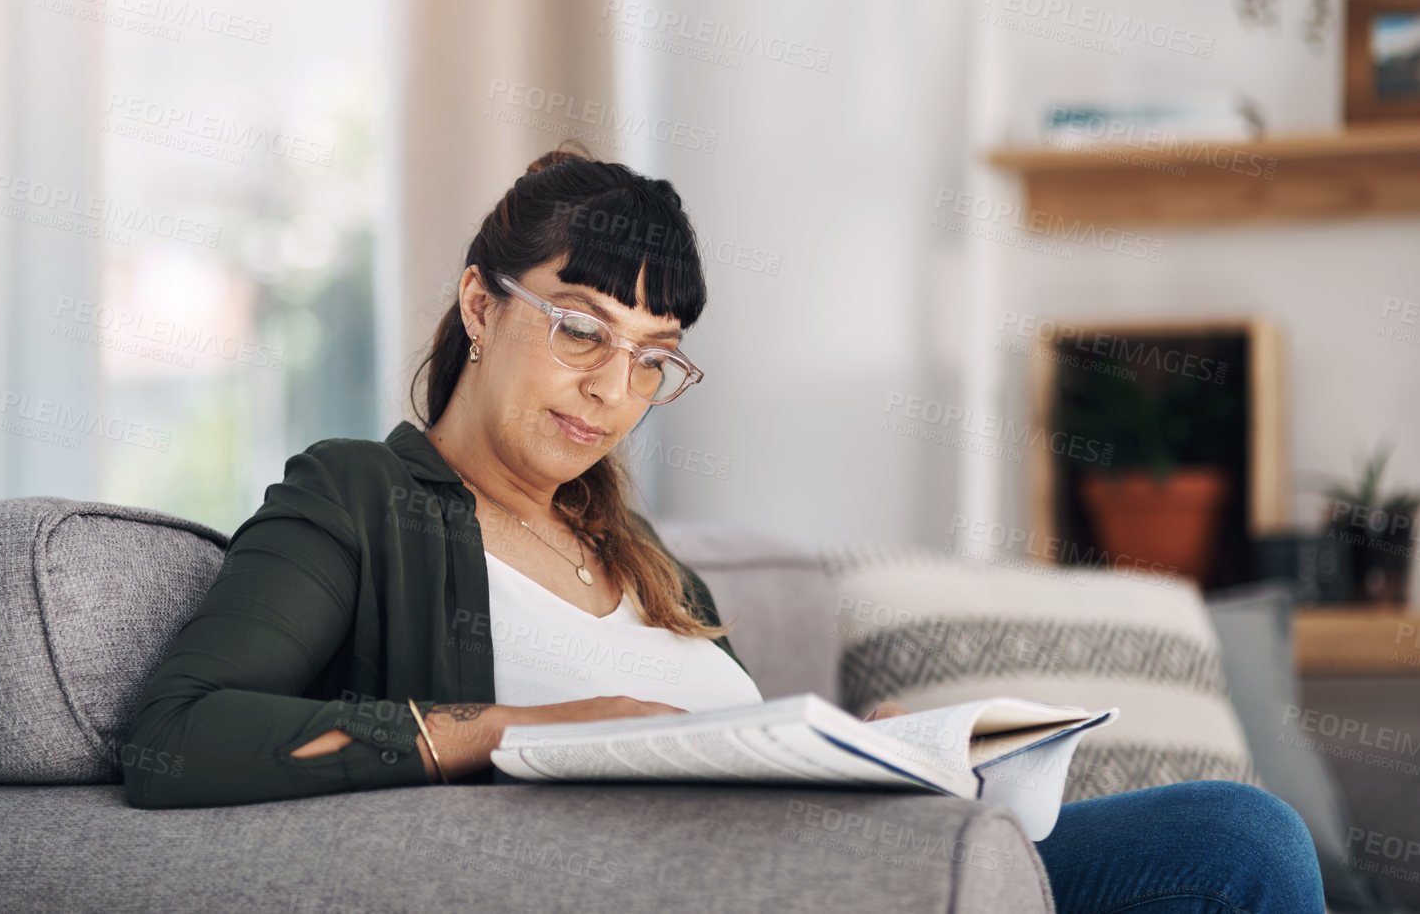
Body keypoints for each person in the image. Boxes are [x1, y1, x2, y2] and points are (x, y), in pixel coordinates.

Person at [123, 142, 1324, 913]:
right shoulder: (358, 497)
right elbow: (177, 740)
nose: (611, 390)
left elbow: (731, 745)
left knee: (1231, 837)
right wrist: (511, 730)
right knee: (1236, 840)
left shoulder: (651, 564)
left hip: (858, 863)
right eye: (581, 328)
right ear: (481, 307)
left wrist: (868, 750)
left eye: (653, 359)